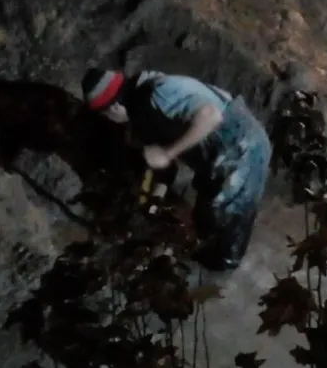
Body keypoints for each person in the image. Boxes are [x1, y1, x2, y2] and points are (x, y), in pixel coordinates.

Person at [81, 67, 271, 271]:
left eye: (105, 115)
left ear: (114, 107)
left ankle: (226, 265)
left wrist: (167, 153)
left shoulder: (160, 92)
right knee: (204, 217)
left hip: (242, 146)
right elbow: (163, 169)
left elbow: (211, 115)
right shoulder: (143, 108)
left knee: (223, 215)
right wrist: (151, 203)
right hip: (220, 153)